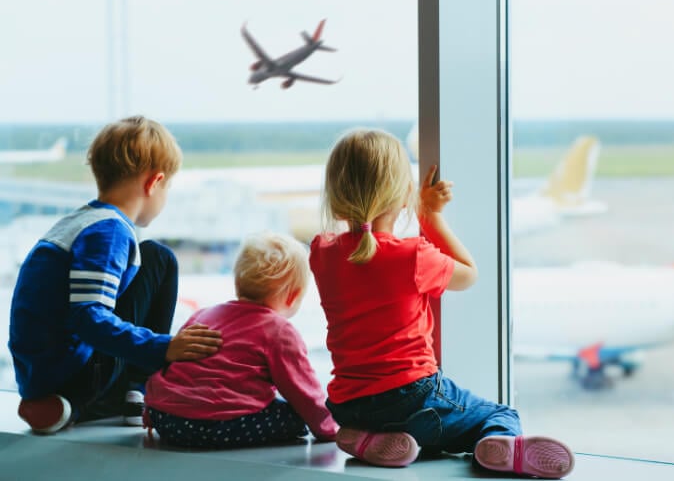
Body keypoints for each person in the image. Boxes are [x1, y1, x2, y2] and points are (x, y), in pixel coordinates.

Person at [309, 129, 575, 478]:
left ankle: (370, 439)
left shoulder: (322, 251)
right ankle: (498, 443)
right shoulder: (411, 256)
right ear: (404, 195)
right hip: (412, 396)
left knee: (418, 428)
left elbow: (362, 260)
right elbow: (469, 274)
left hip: (348, 404)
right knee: (500, 414)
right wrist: (431, 218)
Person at [9, 116, 223, 435]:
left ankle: (76, 400)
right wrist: (162, 347)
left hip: (37, 372)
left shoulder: (80, 221)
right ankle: (115, 396)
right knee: (161, 260)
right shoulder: (109, 233)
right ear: (154, 183)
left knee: (153, 256)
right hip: (70, 375)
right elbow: (88, 318)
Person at [144, 232, 338, 449]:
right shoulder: (279, 330)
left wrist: (153, 412)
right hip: (217, 424)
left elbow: (174, 364)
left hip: (166, 417)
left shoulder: (203, 314)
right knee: (295, 416)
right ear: (293, 296)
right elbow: (305, 393)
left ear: (238, 282)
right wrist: (329, 429)